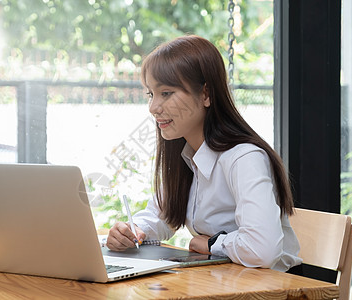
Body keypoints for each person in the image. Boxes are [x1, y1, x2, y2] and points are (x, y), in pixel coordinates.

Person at [106, 35, 302, 272]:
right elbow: (161, 215)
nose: (153, 107)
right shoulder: (187, 155)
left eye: (166, 93)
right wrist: (133, 230)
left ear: (206, 94)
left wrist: (212, 243)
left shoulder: (244, 158)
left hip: (274, 290)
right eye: (151, 94)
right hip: (226, 283)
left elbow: (263, 250)